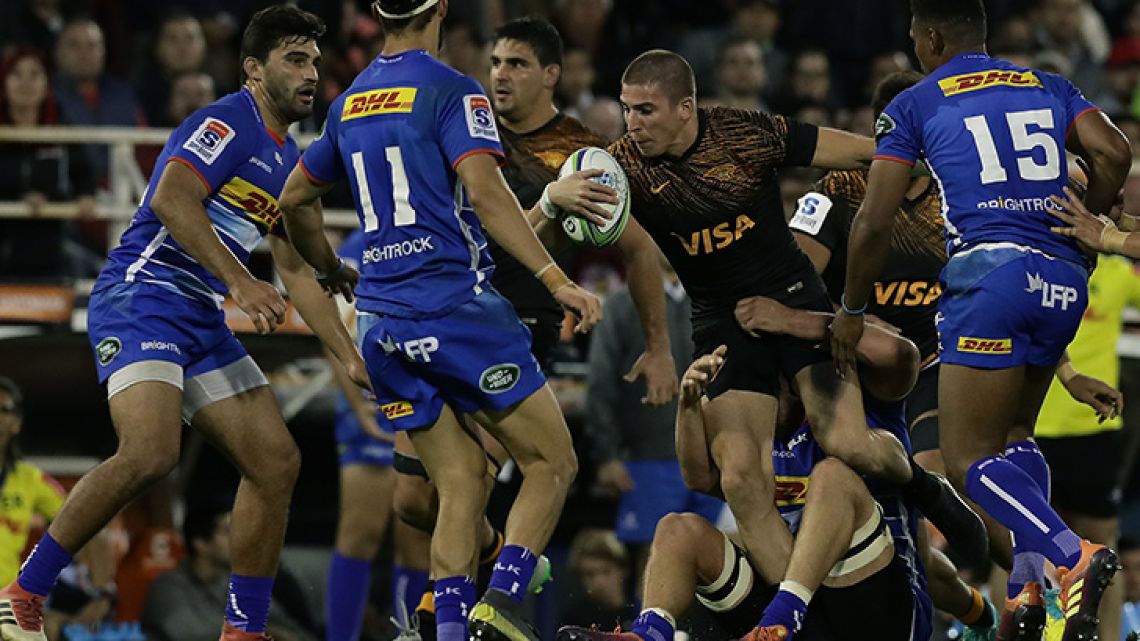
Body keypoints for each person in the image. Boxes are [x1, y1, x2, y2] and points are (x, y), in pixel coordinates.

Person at [0, 8, 369, 641]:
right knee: (150, 453)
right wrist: (240, 280)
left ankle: (241, 632)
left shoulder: (290, 158)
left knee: (277, 460)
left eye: (314, 60)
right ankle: (22, 593)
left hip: (196, 314)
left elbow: (300, 265)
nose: (311, 74)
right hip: (142, 296)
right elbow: (171, 197)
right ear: (254, 70)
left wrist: (347, 353)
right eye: (295, 59)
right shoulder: (229, 120)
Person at [320, 16, 675, 641]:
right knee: (415, 501)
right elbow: (469, 235)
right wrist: (545, 208)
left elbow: (641, 250)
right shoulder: (449, 117)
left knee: (475, 474)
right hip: (446, 312)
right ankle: (498, 561)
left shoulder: (579, 152)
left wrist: (658, 346)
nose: (502, 74)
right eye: (497, 62)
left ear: (551, 75)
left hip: (510, 327)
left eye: (516, 64)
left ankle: (468, 611)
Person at [602, 47, 984, 610]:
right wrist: (554, 200)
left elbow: (850, 152)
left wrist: (927, 160)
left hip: (791, 295)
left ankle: (923, 485)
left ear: (686, 108)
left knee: (846, 443)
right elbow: (557, 218)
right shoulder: (623, 166)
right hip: (721, 324)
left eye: (645, 111)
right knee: (739, 478)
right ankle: (801, 613)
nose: (633, 124)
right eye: (626, 110)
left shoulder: (742, 133)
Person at [277, 6, 602, 641]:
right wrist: (557, 280)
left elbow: (293, 198)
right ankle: (498, 607)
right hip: (453, 309)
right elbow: (484, 192)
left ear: (379, 14)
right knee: (553, 462)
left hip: (380, 325)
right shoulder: (454, 89)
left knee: (458, 480)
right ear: (440, 10)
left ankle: (451, 629)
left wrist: (329, 266)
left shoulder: (349, 104)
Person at [830, 1, 1134, 640]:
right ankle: (1026, 588)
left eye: (915, 37)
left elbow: (876, 219)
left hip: (989, 278)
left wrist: (853, 310)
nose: (915, 49)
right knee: (1018, 432)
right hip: (1063, 281)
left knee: (969, 460)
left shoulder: (916, 103)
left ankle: (1068, 555)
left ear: (933, 35)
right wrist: (1088, 230)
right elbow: (1113, 151)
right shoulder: (1048, 85)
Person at [558, 342, 933, 641]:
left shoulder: (848, 414)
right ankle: (650, 632)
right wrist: (688, 405)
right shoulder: (752, 438)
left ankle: (785, 614)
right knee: (677, 529)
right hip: (791, 605)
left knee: (831, 476)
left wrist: (814, 319)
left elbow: (902, 355)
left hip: (866, 598)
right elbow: (699, 479)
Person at [585, 254, 720, 586]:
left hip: (712, 453)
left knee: (721, 553)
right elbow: (600, 382)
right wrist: (608, 455)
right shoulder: (620, 305)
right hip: (646, 456)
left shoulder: (711, 298)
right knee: (655, 554)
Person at [1035, 249, 1140, 641]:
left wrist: (1123, 238)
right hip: (1031, 428)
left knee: (1102, 552)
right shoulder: (1036, 263)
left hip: (1092, 432)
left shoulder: (1118, 273)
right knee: (1020, 550)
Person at [141, 506, 319, 641]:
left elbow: (281, 621)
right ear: (201, 543)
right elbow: (190, 635)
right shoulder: (168, 587)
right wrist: (264, 631)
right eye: (228, 531)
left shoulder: (231, 583)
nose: (239, 539)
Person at [0, 378, 66, 586]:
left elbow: (80, 518)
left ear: (16, 424)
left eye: (4, 409)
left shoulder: (31, 479)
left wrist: (100, 591)